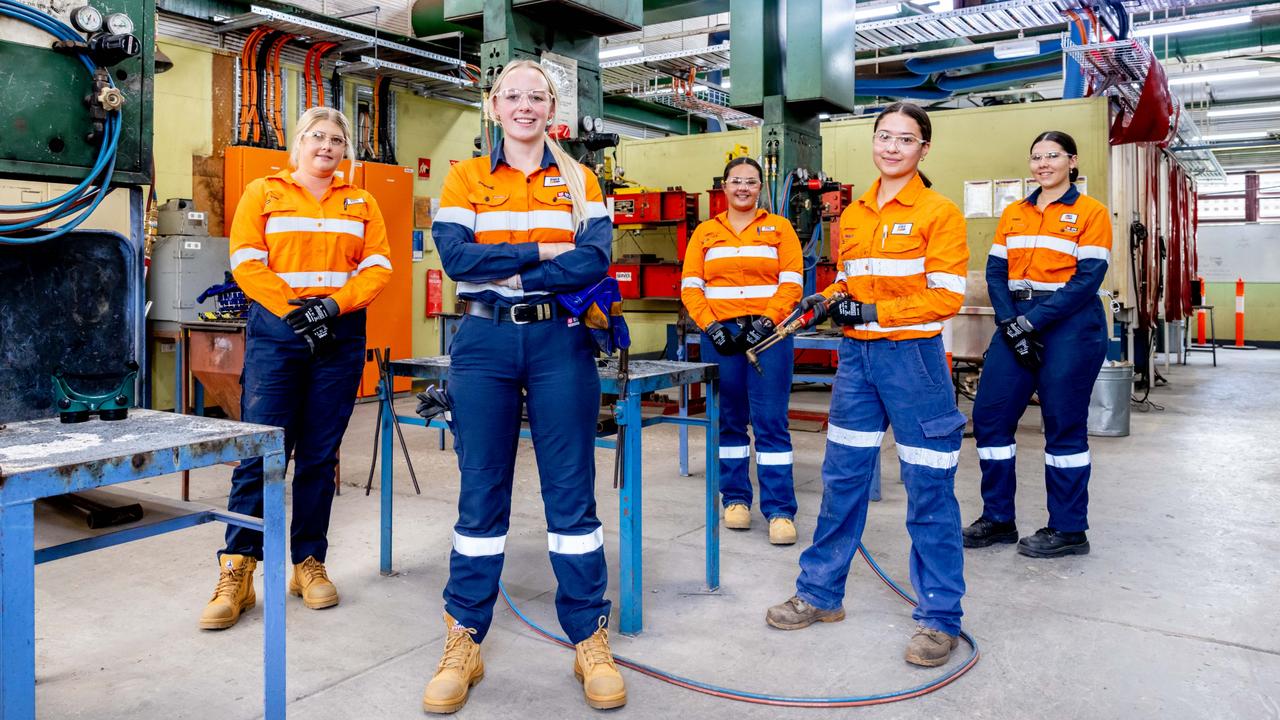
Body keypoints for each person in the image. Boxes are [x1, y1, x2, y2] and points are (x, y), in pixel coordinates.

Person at [421, 60, 623, 714]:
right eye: (513, 96)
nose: (525, 106)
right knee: (481, 493)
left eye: (536, 96)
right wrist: (541, 256)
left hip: (560, 340)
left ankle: (588, 635)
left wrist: (518, 274)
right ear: (494, 106)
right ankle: (464, 636)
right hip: (481, 344)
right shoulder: (465, 177)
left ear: (551, 106)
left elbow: (595, 259)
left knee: (571, 493)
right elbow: (456, 259)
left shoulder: (579, 177)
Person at [765, 102, 970, 668]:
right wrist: (828, 298)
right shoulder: (851, 215)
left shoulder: (939, 212)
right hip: (858, 363)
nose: (892, 147)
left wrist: (873, 307)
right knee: (842, 477)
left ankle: (939, 618)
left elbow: (946, 296)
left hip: (915, 364)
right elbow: (853, 282)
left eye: (905, 140)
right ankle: (820, 593)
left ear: (923, 149)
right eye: (884, 137)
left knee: (929, 486)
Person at [201, 107, 391, 629]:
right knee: (261, 451)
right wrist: (295, 310)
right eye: (316, 136)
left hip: (341, 333)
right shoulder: (264, 193)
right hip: (279, 335)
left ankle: (308, 562)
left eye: (336, 138)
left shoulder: (362, 201)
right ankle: (238, 568)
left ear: (346, 149)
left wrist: (331, 307)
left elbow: (378, 265)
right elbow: (246, 260)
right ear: (297, 144)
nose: (326, 145)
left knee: (318, 456)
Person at [963, 130, 1111, 558]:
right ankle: (998, 519)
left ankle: (1068, 529)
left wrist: (1029, 323)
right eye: (1036, 157)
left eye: (1053, 155)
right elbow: (995, 272)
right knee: (990, 419)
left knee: (1063, 426)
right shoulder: (1015, 213)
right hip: (1016, 320)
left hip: (1070, 325)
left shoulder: (1090, 212)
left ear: (1072, 161)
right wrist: (1010, 323)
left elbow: (1087, 281)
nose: (1043, 163)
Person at [680, 157, 804, 545]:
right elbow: (690, 286)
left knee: (771, 421)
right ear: (724, 185)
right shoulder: (705, 232)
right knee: (730, 420)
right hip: (722, 337)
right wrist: (712, 327)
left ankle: (780, 510)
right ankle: (735, 500)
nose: (743, 188)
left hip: (769, 336)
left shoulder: (779, 228)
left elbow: (792, 282)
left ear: (760, 187)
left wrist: (768, 321)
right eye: (736, 181)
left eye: (751, 182)